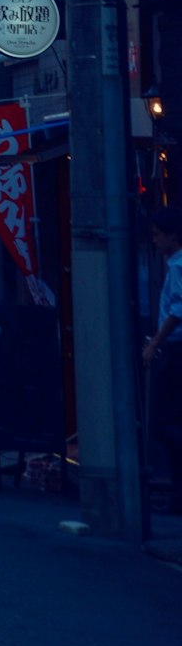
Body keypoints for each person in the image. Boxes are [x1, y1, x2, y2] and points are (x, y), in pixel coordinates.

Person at [143, 206, 182, 514]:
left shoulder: (179, 265)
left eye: (158, 235)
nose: (155, 240)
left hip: (174, 349)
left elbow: (179, 309)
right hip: (170, 348)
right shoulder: (173, 264)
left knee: (164, 420)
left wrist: (155, 342)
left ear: (172, 236)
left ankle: (178, 492)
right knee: (165, 420)